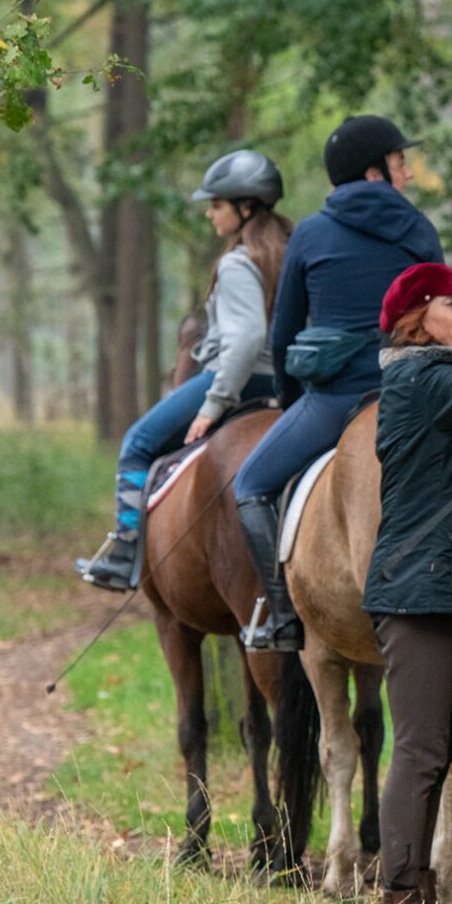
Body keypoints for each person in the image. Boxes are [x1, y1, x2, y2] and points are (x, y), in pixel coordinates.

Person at [236, 116, 445, 651]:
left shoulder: (309, 233)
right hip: (412, 399)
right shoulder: (420, 229)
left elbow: (284, 333)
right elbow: (444, 318)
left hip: (334, 402)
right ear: (374, 172)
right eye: (400, 162)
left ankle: (282, 615)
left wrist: (290, 403)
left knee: (250, 486)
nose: (408, 174)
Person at [77, 150, 290, 591]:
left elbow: (246, 339)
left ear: (244, 207)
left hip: (238, 380)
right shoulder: (290, 251)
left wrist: (214, 403)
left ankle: (124, 554)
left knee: (137, 443)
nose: (210, 214)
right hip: (286, 384)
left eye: (217, 204)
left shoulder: (237, 263)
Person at [364, 262, 452, 904]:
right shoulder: (424, 378)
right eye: (450, 303)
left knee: (443, 742)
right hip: (417, 587)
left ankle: (417, 888)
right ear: (416, 319)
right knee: (420, 747)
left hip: (436, 583)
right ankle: (400, 899)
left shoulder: (439, 380)